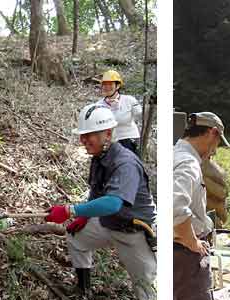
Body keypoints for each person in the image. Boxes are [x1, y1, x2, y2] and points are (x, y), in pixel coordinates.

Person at [43, 104, 156, 299]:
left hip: (135, 232)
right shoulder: (99, 157)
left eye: (90, 135)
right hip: (108, 223)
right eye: (83, 135)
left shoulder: (125, 163)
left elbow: (113, 203)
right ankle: (83, 290)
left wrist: (71, 210)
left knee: (145, 288)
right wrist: (85, 217)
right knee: (76, 238)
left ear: (108, 134)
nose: (84, 140)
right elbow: (96, 192)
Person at [173, 112, 230, 300]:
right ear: (212, 133)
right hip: (185, 254)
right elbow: (175, 208)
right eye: (217, 143)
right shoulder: (187, 163)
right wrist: (192, 242)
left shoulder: (175, 154)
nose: (214, 150)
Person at [95, 70, 143, 155]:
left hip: (129, 139)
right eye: (105, 84)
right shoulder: (99, 105)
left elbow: (141, 115)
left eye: (110, 84)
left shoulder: (129, 100)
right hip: (110, 143)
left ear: (117, 86)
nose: (107, 87)